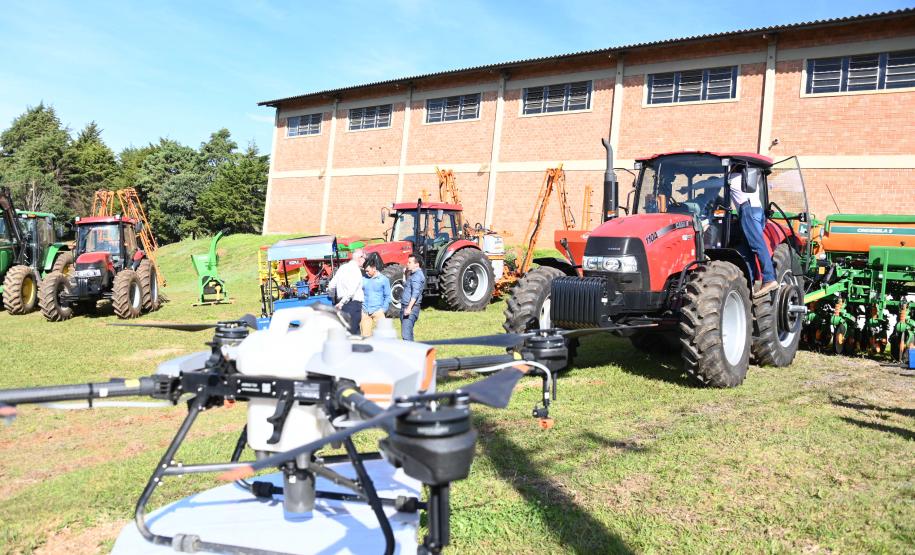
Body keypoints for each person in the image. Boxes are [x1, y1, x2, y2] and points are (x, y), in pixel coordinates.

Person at [729, 171, 778, 297]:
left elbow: (714, 183)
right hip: (757, 209)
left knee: (757, 244)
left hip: (748, 209)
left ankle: (769, 279)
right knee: (746, 251)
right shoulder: (748, 177)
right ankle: (748, 285)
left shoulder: (734, 177)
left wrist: (689, 188)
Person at [328, 248, 366, 334]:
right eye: (364, 258)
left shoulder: (342, 268)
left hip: (341, 305)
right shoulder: (356, 270)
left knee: (346, 333)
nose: (365, 261)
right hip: (352, 305)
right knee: (353, 335)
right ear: (360, 258)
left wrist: (334, 300)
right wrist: (342, 302)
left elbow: (331, 286)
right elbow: (352, 291)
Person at [360, 257, 391, 336]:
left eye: (368, 271)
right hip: (365, 311)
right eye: (365, 271)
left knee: (383, 335)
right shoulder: (363, 279)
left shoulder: (384, 280)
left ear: (374, 268)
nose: (366, 273)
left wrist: (383, 309)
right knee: (365, 336)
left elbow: (387, 296)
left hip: (378, 311)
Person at [400, 253, 426, 341]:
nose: (407, 264)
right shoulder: (412, 274)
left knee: (406, 335)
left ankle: (410, 353)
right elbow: (406, 285)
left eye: (409, 262)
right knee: (407, 332)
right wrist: (405, 274)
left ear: (416, 264)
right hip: (406, 306)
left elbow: (415, 294)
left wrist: (409, 308)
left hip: (410, 308)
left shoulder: (417, 276)